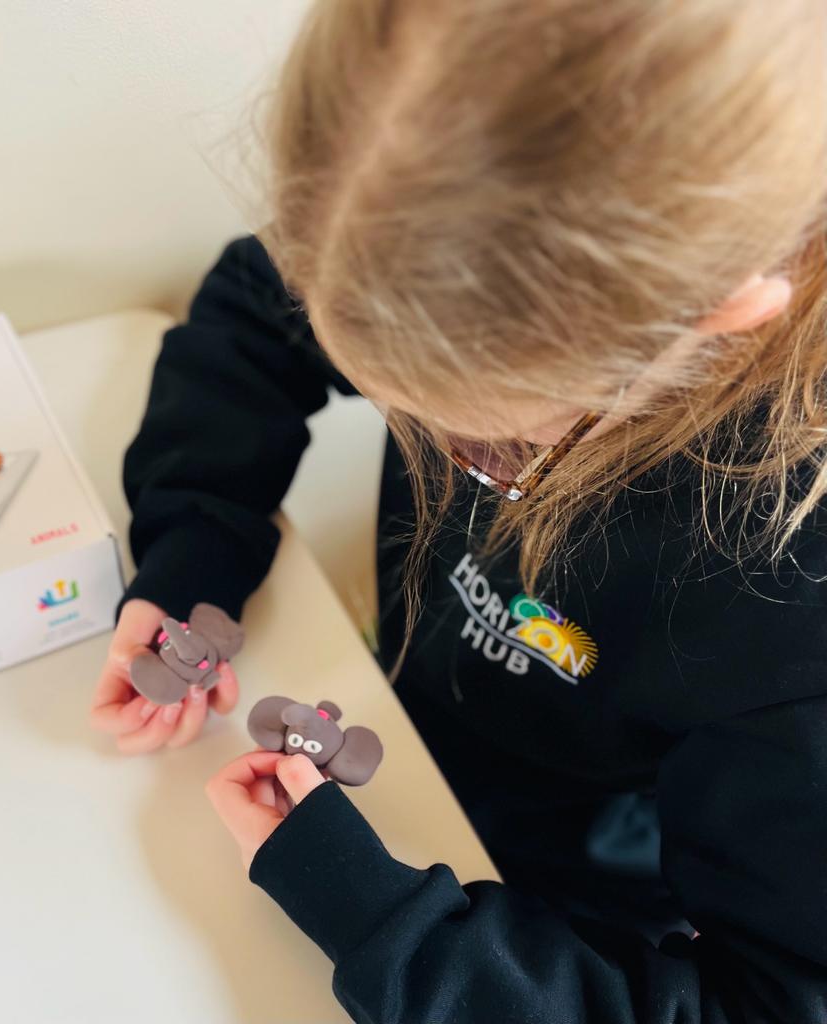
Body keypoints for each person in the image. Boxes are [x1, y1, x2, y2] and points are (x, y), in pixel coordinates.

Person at [91, 1, 827, 1019]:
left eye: (487, 446)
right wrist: (191, 554)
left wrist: (377, 918)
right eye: (389, 393)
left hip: (557, 915)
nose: (441, 459)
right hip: (403, 717)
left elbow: (767, 1002)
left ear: (719, 312)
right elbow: (255, 318)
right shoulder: (408, 202)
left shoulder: (792, 622)